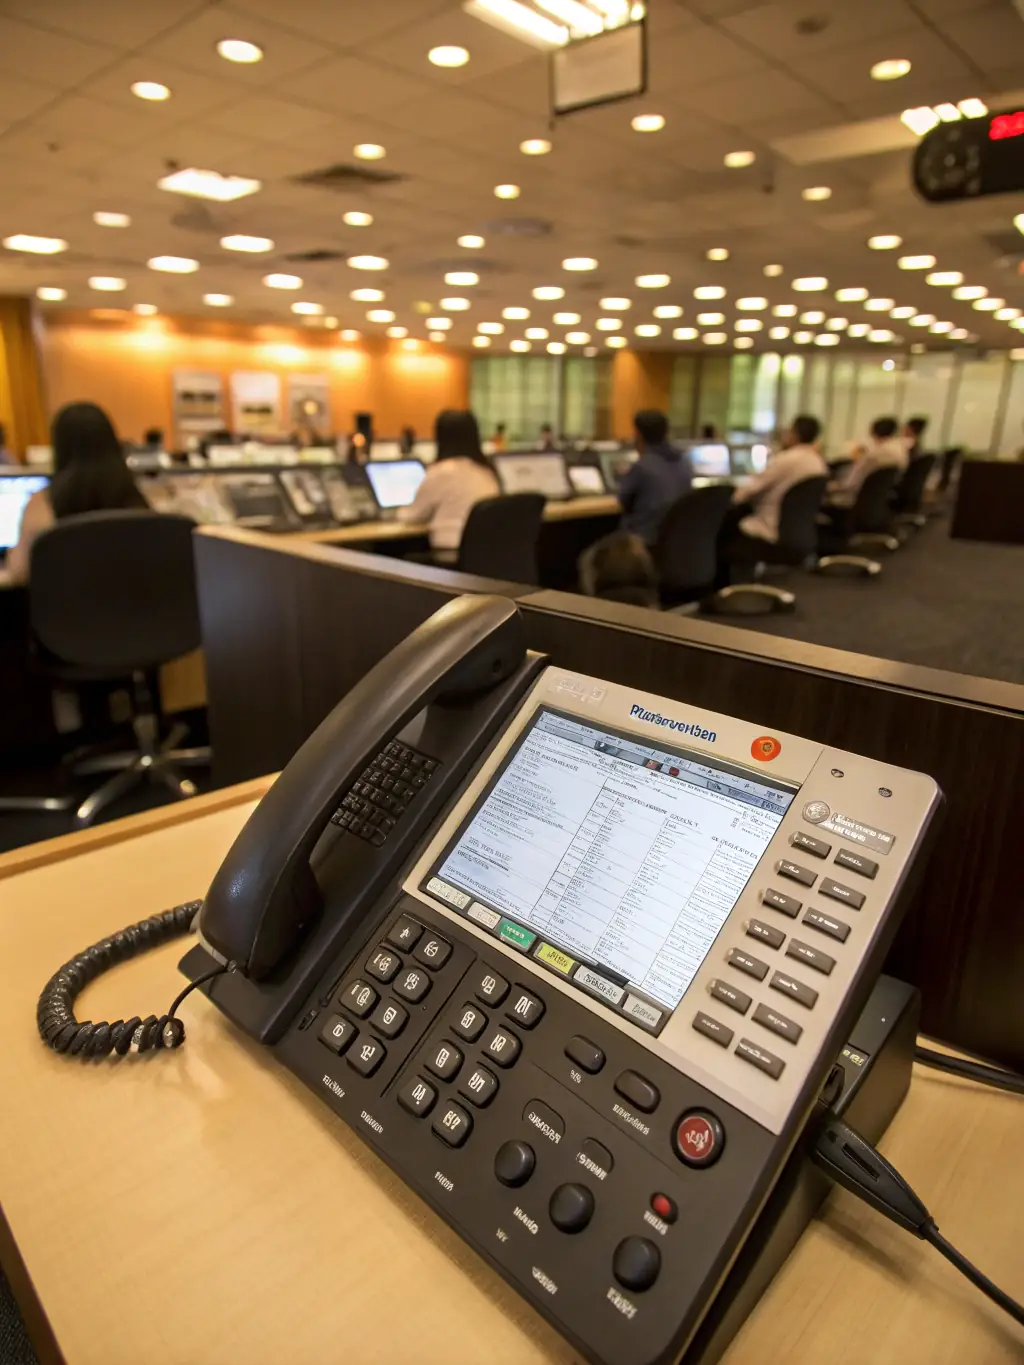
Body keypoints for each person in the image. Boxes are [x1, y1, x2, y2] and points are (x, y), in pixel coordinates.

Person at [7, 402, 147, 583]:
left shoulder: (43, 504)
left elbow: (18, 573)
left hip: (63, 609)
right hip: (138, 608)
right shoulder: (138, 500)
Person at [397, 410, 498, 554]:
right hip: (485, 554)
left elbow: (411, 516)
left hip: (450, 553)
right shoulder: (487, 471)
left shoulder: (442, 471)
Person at [726, 414, 828, 546]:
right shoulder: (818, 462)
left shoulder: (786, 459)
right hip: (799, 534)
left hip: (770, 530)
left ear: (794, 434)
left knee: (724, 530)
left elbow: (743, 493)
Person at [617, 409, 693, 544]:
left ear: (638, 435)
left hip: (643, 543)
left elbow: (622, 501)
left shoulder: (642, 466)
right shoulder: (684, 462)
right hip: (674, 542)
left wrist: (625, 477)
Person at [828, 416, 909, 508]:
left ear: (873, 433)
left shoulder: (872, 457)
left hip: (853, 500)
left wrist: (828, 486)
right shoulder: (901, 451)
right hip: (882, 500)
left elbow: (849, 485)